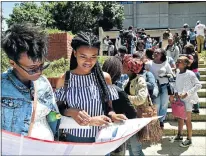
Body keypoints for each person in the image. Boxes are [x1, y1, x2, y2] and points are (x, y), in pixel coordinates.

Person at [55, 31, 127, 144]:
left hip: (101, 138)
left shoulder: (105, 78)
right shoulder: (65, 79)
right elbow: (57, 111)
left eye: (93, 56)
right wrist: (70, 111)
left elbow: (109, 108)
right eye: (83, 56)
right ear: (74, 53)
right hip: (74, 139)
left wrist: (114, 116)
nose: (89, 61)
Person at [1, 23, 60, 141]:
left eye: (42, 65)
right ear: (13, 63)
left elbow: (53, 115)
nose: (39, 72)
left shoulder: (43, 83)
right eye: (32, 68)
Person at [102, 56, 137, 156]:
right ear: (118, 72)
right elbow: (132, 114)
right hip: (116, 137)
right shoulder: (118, 91)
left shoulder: (95, 89)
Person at [169, 56, 202, 147]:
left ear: (186, 64)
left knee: (187, 119)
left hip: (188, 99)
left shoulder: (190, 73)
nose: (177, 62)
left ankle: (189, 139)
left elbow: (199, 85)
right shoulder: (178, 73)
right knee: (180, 118)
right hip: (180, 99)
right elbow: (176, 85)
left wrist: (187, 93)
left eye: (180, 61)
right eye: (177, 61)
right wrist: (175, 93)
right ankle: (179, 135)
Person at [122, 54, 148, 156]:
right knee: (131, 148)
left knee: (136, 149)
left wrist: (125, 97)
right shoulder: (127, 80)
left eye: (124, 64)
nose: (122, 66)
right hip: (129, 118)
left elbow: (141, 99)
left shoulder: (139, 80)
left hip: (136, 117)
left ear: (129, 68)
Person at [146, 48, 174, 129]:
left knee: (164, 104)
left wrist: (165, 75)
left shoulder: (166, 64)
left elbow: (171, 75)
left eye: (157, 53)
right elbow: (146, 75)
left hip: (165, 86)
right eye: (154, 52)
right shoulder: (149, 64)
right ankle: (156, 120)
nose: (155, 54)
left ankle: (161, 120)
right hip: (155, 87)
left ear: (162, 55)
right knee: (156, 104)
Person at [184, 44, 200, 114]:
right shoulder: (195, 54)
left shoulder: (190, 56)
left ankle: (196, 107)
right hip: (196, 73)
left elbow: (189, 64)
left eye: (185, 49)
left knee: (192, 91)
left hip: (192, 74)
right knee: (193, 91)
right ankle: (196, 107)